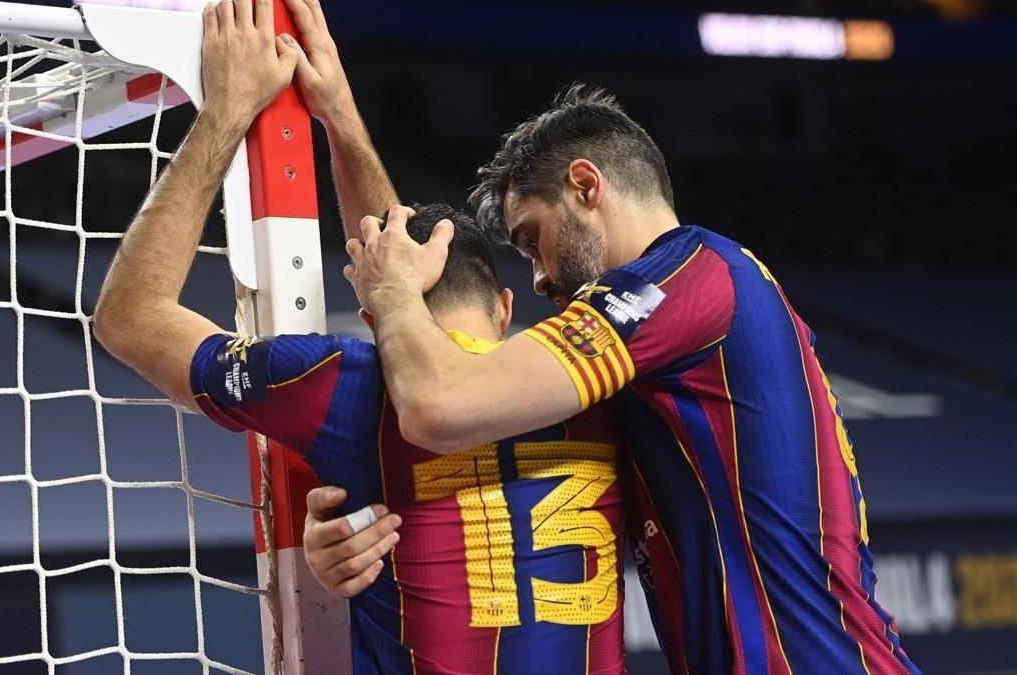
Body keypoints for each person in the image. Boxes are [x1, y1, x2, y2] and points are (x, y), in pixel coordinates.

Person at [93, 1, 632, 672]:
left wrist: (226, 110)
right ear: (501, 306)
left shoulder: (343, 382)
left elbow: (129, 317)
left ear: (378, 305)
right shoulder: (604, 386)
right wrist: (341, 115)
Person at [337, 85, 921, 674]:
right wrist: (357, 523)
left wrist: (388, 293)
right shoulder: (664, 342)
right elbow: (433, 330)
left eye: (532, 240)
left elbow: (439, 400)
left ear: (586, 187)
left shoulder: (685, 278)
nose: (538, 279)